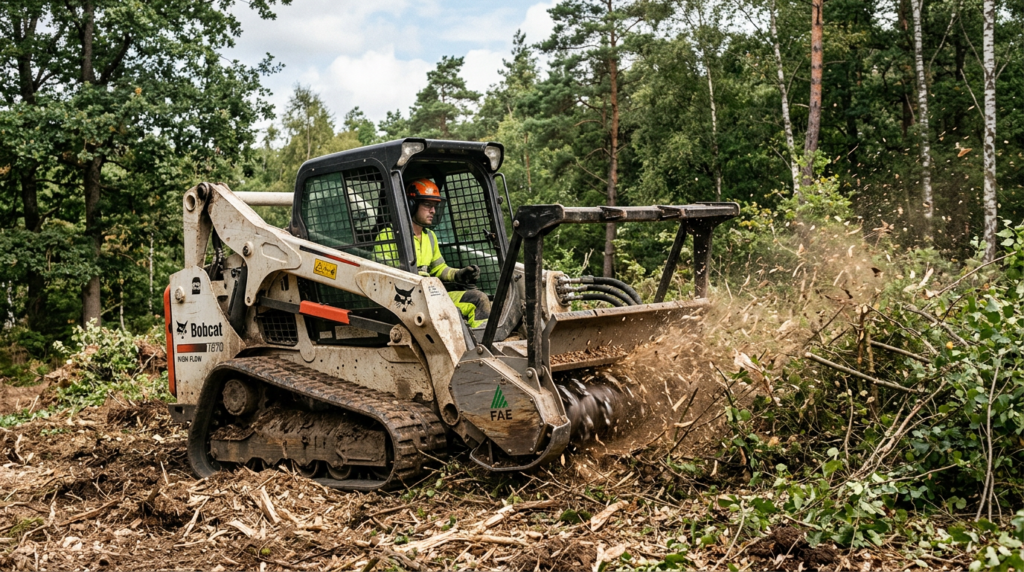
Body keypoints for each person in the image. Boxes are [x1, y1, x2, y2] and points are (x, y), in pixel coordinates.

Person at [374, 178, 491, 327]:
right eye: (428, 205)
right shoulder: (389, 236)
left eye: (435, 206)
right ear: (411, 205)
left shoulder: (430, 236)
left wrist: (459, 274)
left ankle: (482, 344)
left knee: (478, 299)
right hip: (405, 300)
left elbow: (439, 268)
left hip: (431, 296)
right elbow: (381, 275)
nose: (433, 211)